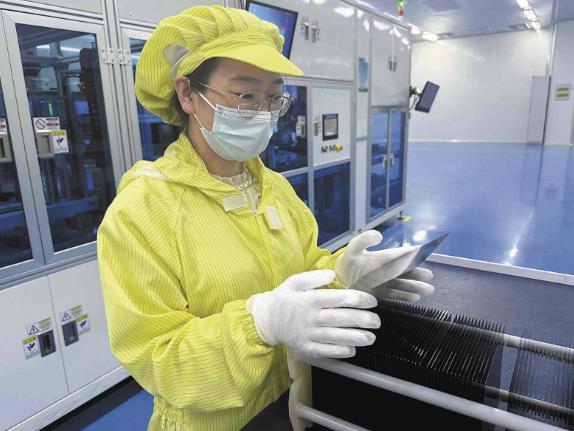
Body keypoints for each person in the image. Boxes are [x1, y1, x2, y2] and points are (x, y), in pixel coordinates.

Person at [97, 5, 434, 430]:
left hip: (292, 404)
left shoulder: (273, 187)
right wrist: (259, 324)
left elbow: (302, 272)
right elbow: (160, 359)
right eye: (245, 96)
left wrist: (345, 275)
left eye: (274, 98)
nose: (262, 112)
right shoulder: (142, 210)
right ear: (187, 94)